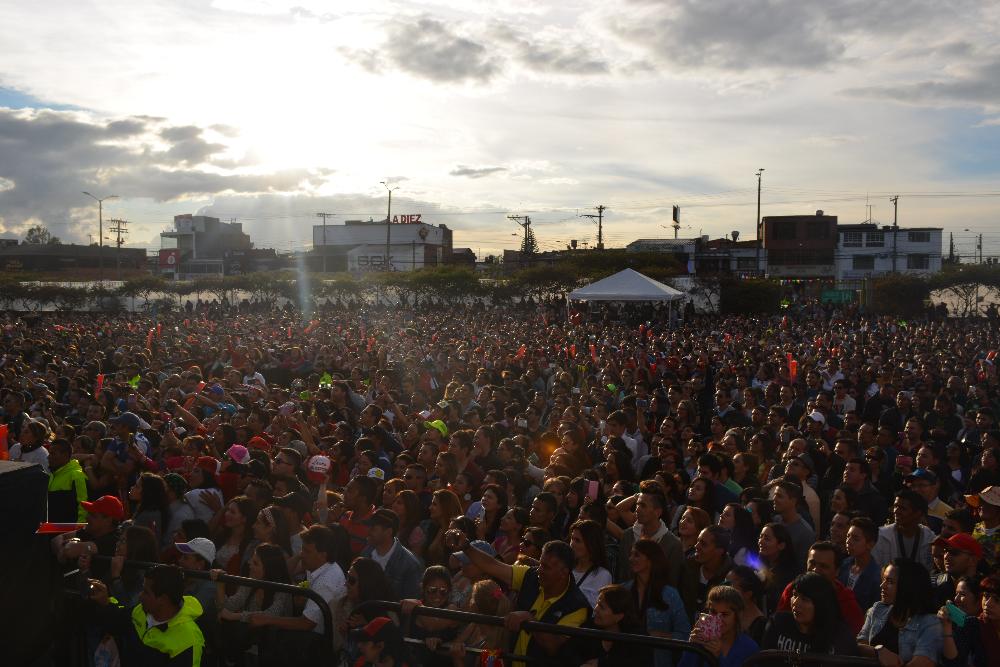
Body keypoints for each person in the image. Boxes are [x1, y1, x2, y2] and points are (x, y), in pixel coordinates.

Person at [445, 530, 590, 666]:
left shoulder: (577, 606)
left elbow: (553, 646)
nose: (539, 570)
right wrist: (466, 546)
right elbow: (493, 565)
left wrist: (530, 620)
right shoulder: (530, 575)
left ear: (563, 572)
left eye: (546, 567)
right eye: (540, 564)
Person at [87, 564, 205, 666]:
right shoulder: (141, 611)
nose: (140, 596)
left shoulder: (189, 640)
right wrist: (105, 603)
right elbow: (118, 623)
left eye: (146, 592)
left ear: (163, 599)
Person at [249, 525, 347, 635]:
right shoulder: (317, 566)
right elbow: (284, 573)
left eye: (307, 551)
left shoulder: (326, 582)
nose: (302, 554)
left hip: (318, 640)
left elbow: (306, 623)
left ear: (322, 555)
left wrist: (266, 619)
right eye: (302, 549)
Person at [211, 542, 293, 664]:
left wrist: (235, 616)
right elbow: (229, 606)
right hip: (251, 646)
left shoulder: (283, 589)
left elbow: (272, 614)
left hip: (275, 650)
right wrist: (220, 584)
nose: (249, 563)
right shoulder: (251, 581)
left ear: (269, 568)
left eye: (255, 563)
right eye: (251, 559)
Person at [857, 558, 942, 667]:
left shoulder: (930, 623)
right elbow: (858, 646)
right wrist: (878, 650)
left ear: (908, 586)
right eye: (883, 579)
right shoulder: (878, 609)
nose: (882, 586)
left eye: (890, 582)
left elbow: (923, 662)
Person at [761, 572, 858, 657]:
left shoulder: (841, 638)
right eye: (794, 595)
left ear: (821, 605)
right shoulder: (778, 624)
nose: (795, 603)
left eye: (805, 599)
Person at [627, 538, 691, 667]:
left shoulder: (670, 595)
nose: (631, 559)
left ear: (651, 560)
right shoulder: (624, 590)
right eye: (631, 554)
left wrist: (659, 635)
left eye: (637, 555)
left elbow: (685, 634)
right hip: (626, 659)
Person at [776, 541, 864, 634]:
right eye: (812, 563)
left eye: (823, 566)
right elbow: (778, 626)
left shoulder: (846, 603)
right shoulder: (792, 590)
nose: (815, 570)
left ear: (837, 571)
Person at [680, 585, 760, 667]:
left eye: (725, 614)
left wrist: (718, 658)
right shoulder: (701, 639)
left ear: (738, 615)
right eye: (713, 612)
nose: (718, 619)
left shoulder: (749, 648)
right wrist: (692, 648)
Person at [615, 489, 682, 586]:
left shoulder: (673, 545)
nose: (637, 509)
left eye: (643, 506)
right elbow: (622, 575)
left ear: (657, 512)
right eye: (637, 505)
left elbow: (672, 582)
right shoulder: (628, 536)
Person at [579, 584, 651, 667]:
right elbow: (570, 653)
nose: (595, 609)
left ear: (619, 616)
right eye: (597, 604)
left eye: (602, 607)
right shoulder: (588, 628)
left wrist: (602, 664)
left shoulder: (638, 639)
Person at [938, 573, 1000, 667]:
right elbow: (955, 662)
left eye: (997, 600)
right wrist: (946, 629)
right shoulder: (973, 625)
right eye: (986, 596)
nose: (987, 603)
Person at [361, 508, 423, 600]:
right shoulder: (366, 552)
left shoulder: (410, 565)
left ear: (388, 532)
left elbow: (411, 601)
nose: (368, 531)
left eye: (373, 528)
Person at [873, 490, 936, 573]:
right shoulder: (881, 536)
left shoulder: (929, 538)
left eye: (902, 508)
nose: (896, 511)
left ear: (917, 513)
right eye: (895, 506)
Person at [680, 526, 733, 622]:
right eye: (697, 541)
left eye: (703, 544)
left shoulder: (730, 578)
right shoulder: (687, 566)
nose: (696, 546)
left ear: (719, 551)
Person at [839, 516, 883, 612]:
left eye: (855, 539)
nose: (848, 541)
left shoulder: (876, 577)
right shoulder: (844, 564)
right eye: (848, 536)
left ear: (870, 544)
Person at [569, 519, 613, 608]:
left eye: (577, 540)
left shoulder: (602, 575)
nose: (572, 544)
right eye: (572, 539)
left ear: (591, 544)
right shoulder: (565, 568)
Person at [757, 523, 800, 615]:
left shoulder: (789, 574)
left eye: (767, 539)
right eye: (760, 537)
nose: (761, 541)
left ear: (781, 545)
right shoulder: (763, 564)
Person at [932, 532, 983, 606]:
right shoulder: (932, 584)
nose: (946, 556)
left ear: (973, 560)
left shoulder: (985, 589)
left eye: (954, 552)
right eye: (945, 551)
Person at [47, 437, 88, 522]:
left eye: (53, 454)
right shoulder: (52, 475)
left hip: (68, 528)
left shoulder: (76, 475)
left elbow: (83, 506)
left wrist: (79, 528)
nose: (48, 457)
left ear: (65, 455)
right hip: (51, 526)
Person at [725, 566, 766, 644]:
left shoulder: (760, 626)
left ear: (748, 594)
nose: (723, 591)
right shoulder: (727, 614)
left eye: (729, 588)